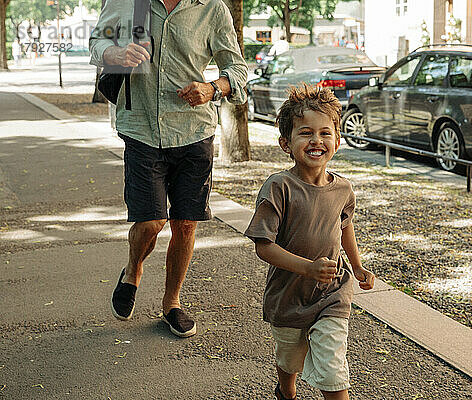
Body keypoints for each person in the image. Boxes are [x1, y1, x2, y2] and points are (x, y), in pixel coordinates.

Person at [89, 0, 248, 338]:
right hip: (141, 128)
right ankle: (133, 270)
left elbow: (236, 68)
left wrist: (211, 88)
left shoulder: (212, 8)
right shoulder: (127, 3)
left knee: (186, 224)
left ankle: (171, 303)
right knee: (150, 221)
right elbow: (97, 42)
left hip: (193, 132)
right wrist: (114, 55)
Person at [244, 84, 375, 400]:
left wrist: (356, 267)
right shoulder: (279, 187)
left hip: (332, 292)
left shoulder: (343, 189)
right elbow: (264, 246)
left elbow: (344, 227)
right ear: (286, 143)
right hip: (288, 294)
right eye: (306, 133)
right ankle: (286, 391)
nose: (316, 140)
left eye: (325, 133)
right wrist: (308, 268)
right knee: (290, 355)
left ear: (337, 141)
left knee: (333, 367)